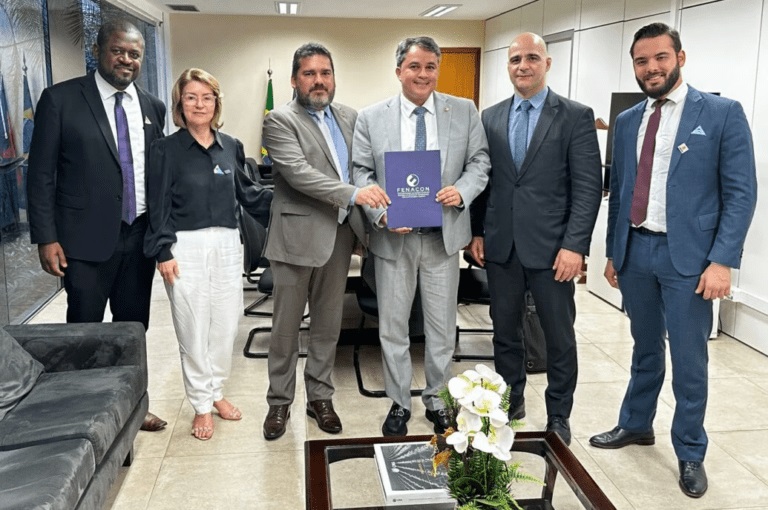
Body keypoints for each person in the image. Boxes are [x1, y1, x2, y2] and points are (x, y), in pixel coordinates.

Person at [589, 22, 757, 497]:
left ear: (680, 58)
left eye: (660, 57)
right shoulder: (627, 121)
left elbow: (741, 194)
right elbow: (620, 190)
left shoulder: (721, 113)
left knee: (689, 359)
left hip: (691, 259)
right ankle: (636, 423)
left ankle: (689, 450)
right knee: (644, 347)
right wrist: (614, 251)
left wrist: (722, 261)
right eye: (641, 61)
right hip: (636, 251)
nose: (651, 68)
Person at [27, 20, 167, 432]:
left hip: (139, 236)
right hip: (83, 240)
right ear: (98, 50)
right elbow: (41, 175)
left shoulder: (152, 107)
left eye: (134, 54)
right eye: (118, 51)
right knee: (84, 330)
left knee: (133, 328)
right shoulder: (61, 100)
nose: (126, 60)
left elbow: (157, 172)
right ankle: (85, 412)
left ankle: (134, 405)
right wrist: (46, 237)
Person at [468, 32, 602, 446]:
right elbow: (484, 180)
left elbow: (587, 188)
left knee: (558, 336)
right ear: (507, 66)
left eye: (531, 58)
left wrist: (575, 246)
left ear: (547, 63)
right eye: (515, 60)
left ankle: (559, 414)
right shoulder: (490, 117)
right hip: (502, 247)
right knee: (504, 332)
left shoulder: (575, 116)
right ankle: (511, 401)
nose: (522, 66)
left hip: (553, 250)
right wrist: (477, 231)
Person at [352, 36, 490, 436]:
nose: (423, 74)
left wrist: (462, 190)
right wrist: (380, 212)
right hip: (393, 239)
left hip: (441, 239)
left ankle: (438, 399)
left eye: (431, 66)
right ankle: (398, 402)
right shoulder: (371, 117)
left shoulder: (463, 111)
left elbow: (480, 161)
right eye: (414, 66)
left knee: (442, 328)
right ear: (399, 71)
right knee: (393, 328)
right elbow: (360, 172)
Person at [260, 43, 389, 440]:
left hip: (340, 235)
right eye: (310, 73)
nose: (319, 81)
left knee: (328, 325)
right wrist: (355, 194)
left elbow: (363, 167)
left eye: (325, 73)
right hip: (296, 238)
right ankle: (279, 402)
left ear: (333, 77)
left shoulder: (350, 116)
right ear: (294, 80)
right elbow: (299, 174)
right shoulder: (279, 120)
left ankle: (320, 397)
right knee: (285, 330)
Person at [144, 68, 271, 441]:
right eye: (191, 97)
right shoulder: (165, 149)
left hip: (228, 243)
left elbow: (249, 194)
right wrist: (163, 250)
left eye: (207, 97)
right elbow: (157, 206)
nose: (199, 104)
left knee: (226, 325)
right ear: (179, 104)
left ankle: (216, 391)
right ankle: (201, 404)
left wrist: (294, 201)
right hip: (185, 246)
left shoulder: (231, 145)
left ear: (216, 102)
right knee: (193, 327)